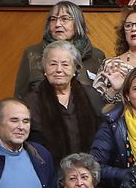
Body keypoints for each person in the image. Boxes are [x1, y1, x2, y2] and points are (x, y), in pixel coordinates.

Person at [22, 40, 102, 170]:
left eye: (65, 64)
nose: (59, 70)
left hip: (88, 173)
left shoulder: (91, 95)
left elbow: (103, 136)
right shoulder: (31, 101)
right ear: (44, 69)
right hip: (48, 172)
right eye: (53, 64)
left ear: (75, 68)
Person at [15, 2, 105, 99]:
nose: (57, 24)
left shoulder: (97, 56)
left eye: (64, 19)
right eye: (53, 19)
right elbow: (20, 97)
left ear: (78, 23)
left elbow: (102, 97)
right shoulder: (32, 53)